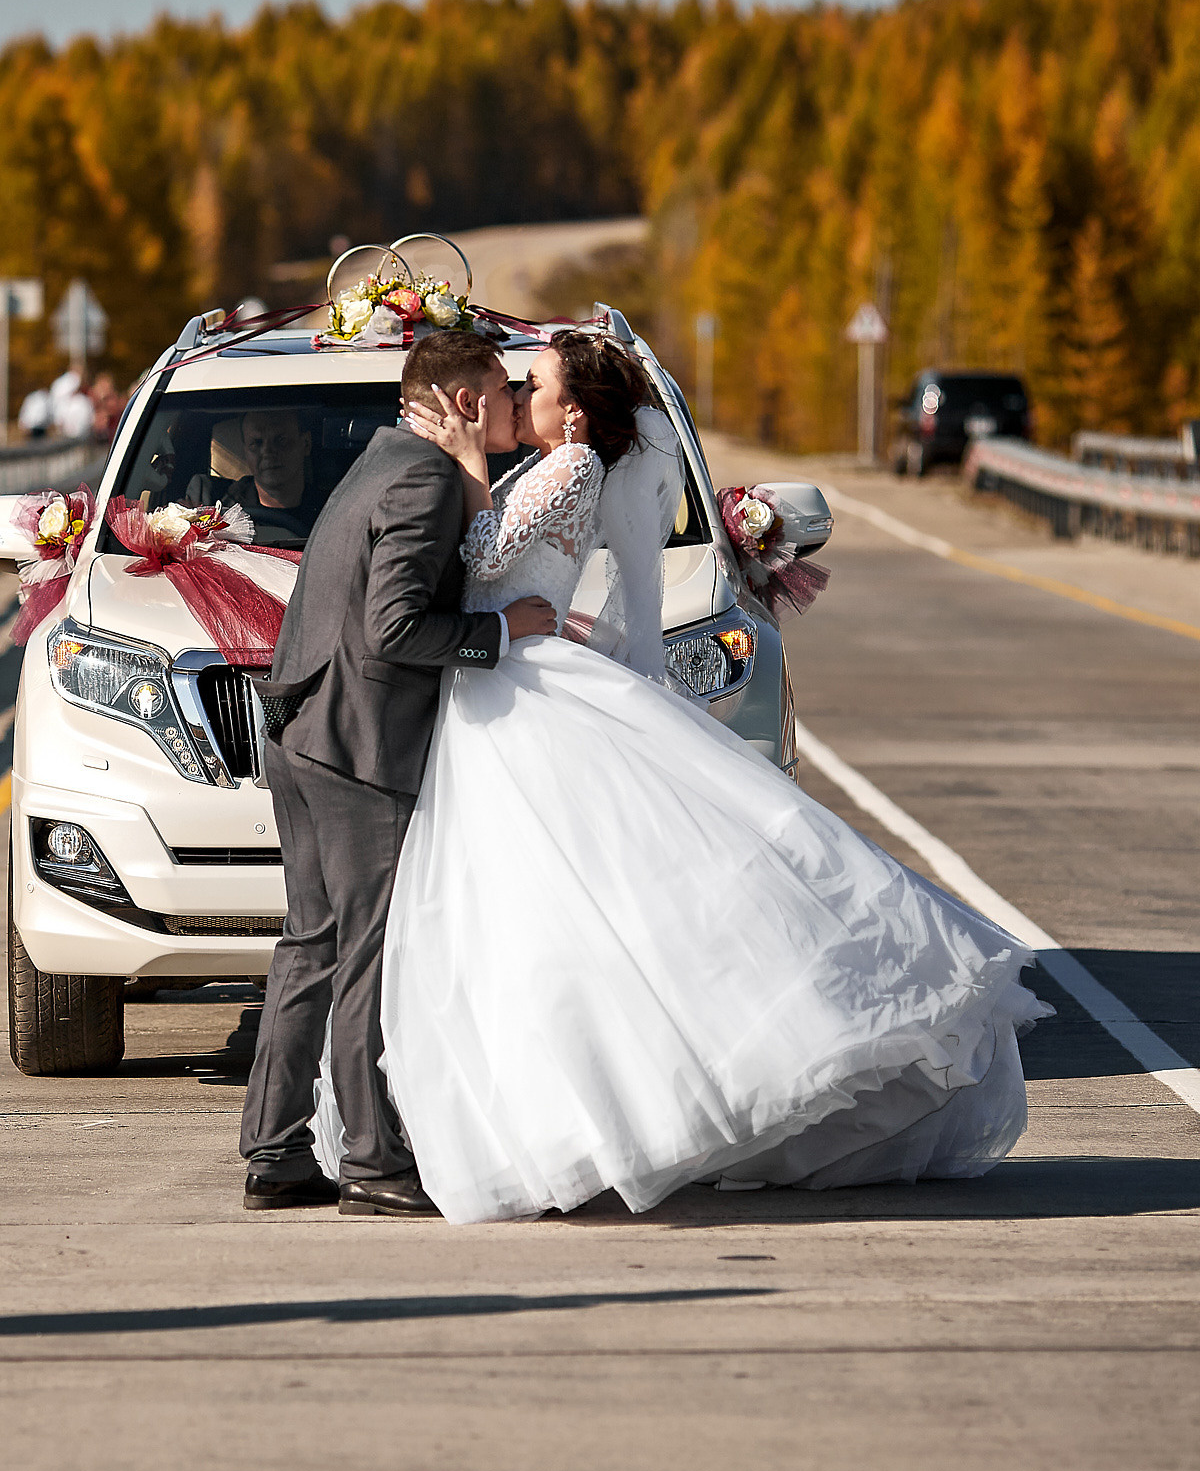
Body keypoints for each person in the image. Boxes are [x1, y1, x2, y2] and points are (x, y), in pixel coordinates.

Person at [356, 332, 1043, 1222]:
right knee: (528, 919)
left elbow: (481, 558)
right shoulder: (549, 466)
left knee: (558, 909)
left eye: (536, 383)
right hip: (499, 686)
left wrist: (462, 460)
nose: (520, 394)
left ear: (574, 413)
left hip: (519, 692)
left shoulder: (570, 467)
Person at [240, 332, 555, 1217]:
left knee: (312, 944)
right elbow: (393, 627)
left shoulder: (382, 462)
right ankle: (373, 1161)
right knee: (366, 958)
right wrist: (502, 634)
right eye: (502, 389)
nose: (514, 402)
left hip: (304, 730)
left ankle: (275, 1151)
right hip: (360, 747)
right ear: (465, 403)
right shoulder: (423, 482)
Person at [184, 409, 331, 547]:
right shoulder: (212, 503)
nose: (267, 452)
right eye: (256, 443)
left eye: (280, 440)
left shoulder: (331, 511)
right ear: (246, 452)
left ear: (306, 443)